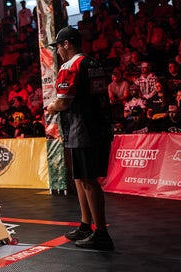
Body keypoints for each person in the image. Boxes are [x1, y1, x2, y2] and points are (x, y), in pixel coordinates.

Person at [46, 26, 114, 250]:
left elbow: (64, 102)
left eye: (58, 47)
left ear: (67, 44)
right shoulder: (94, 63)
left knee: (88, 180)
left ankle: (101, 232)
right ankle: (86, 225)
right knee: (80, 178)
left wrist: (51, 108)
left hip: (82, 130)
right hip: (99, 125)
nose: (57, 52)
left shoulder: (70, 65)